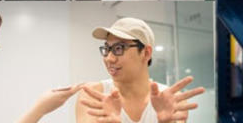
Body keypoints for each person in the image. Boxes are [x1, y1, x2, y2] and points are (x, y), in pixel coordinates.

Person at [76, 17, 205, 123]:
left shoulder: (171, 99)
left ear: (146, 53)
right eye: (107, 49)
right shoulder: (94, 95)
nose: (109, 58)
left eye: (119, 48)